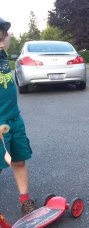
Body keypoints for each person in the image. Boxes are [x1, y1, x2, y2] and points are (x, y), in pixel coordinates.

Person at [0, 17, 36, 215]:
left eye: (3, 37)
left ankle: (25, 199)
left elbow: (8, 35)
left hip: (14, 119)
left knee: (19, 160)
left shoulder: (3, 56)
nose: (3, 41)